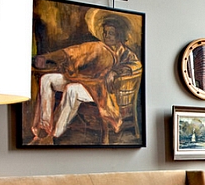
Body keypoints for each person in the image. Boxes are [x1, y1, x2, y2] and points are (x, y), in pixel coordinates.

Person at [29, 10, 142, 145]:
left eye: (111, 33)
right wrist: (47, 57)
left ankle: (53, 135)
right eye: (105, 33)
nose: (107, 36)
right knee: (47, 79)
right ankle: (43, 128)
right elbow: (74, 52)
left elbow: (136, 66)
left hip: (102, 93)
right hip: (84, 80)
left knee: (72, 89)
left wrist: (116, 72)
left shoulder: (127, 54)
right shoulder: (98, 47)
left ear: (119, 35)